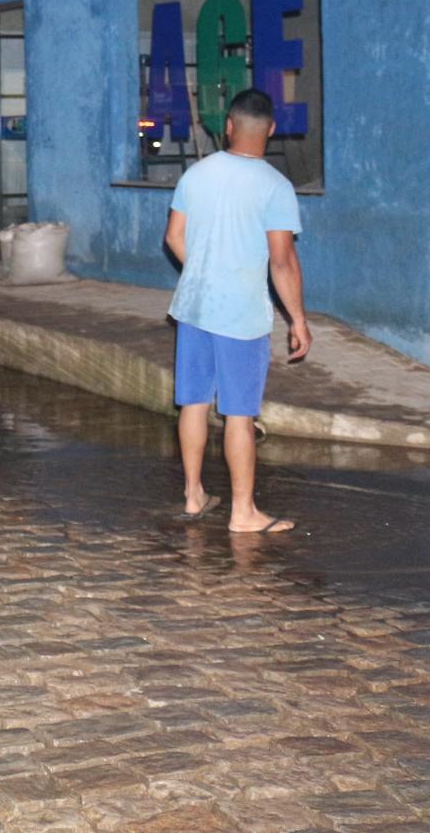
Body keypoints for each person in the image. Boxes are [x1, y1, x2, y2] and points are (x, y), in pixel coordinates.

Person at [163, 87, 310, 535]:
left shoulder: (197, 173)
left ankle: (193, 496)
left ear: (228, 125)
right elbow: (282, 260)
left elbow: (174, 237)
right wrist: (298, 319)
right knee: (239, 414)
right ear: (270, 129)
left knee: (193, 402)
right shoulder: (275, 187)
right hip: (239, 316)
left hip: (193, 306)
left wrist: (205, 271)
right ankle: (243, 513)